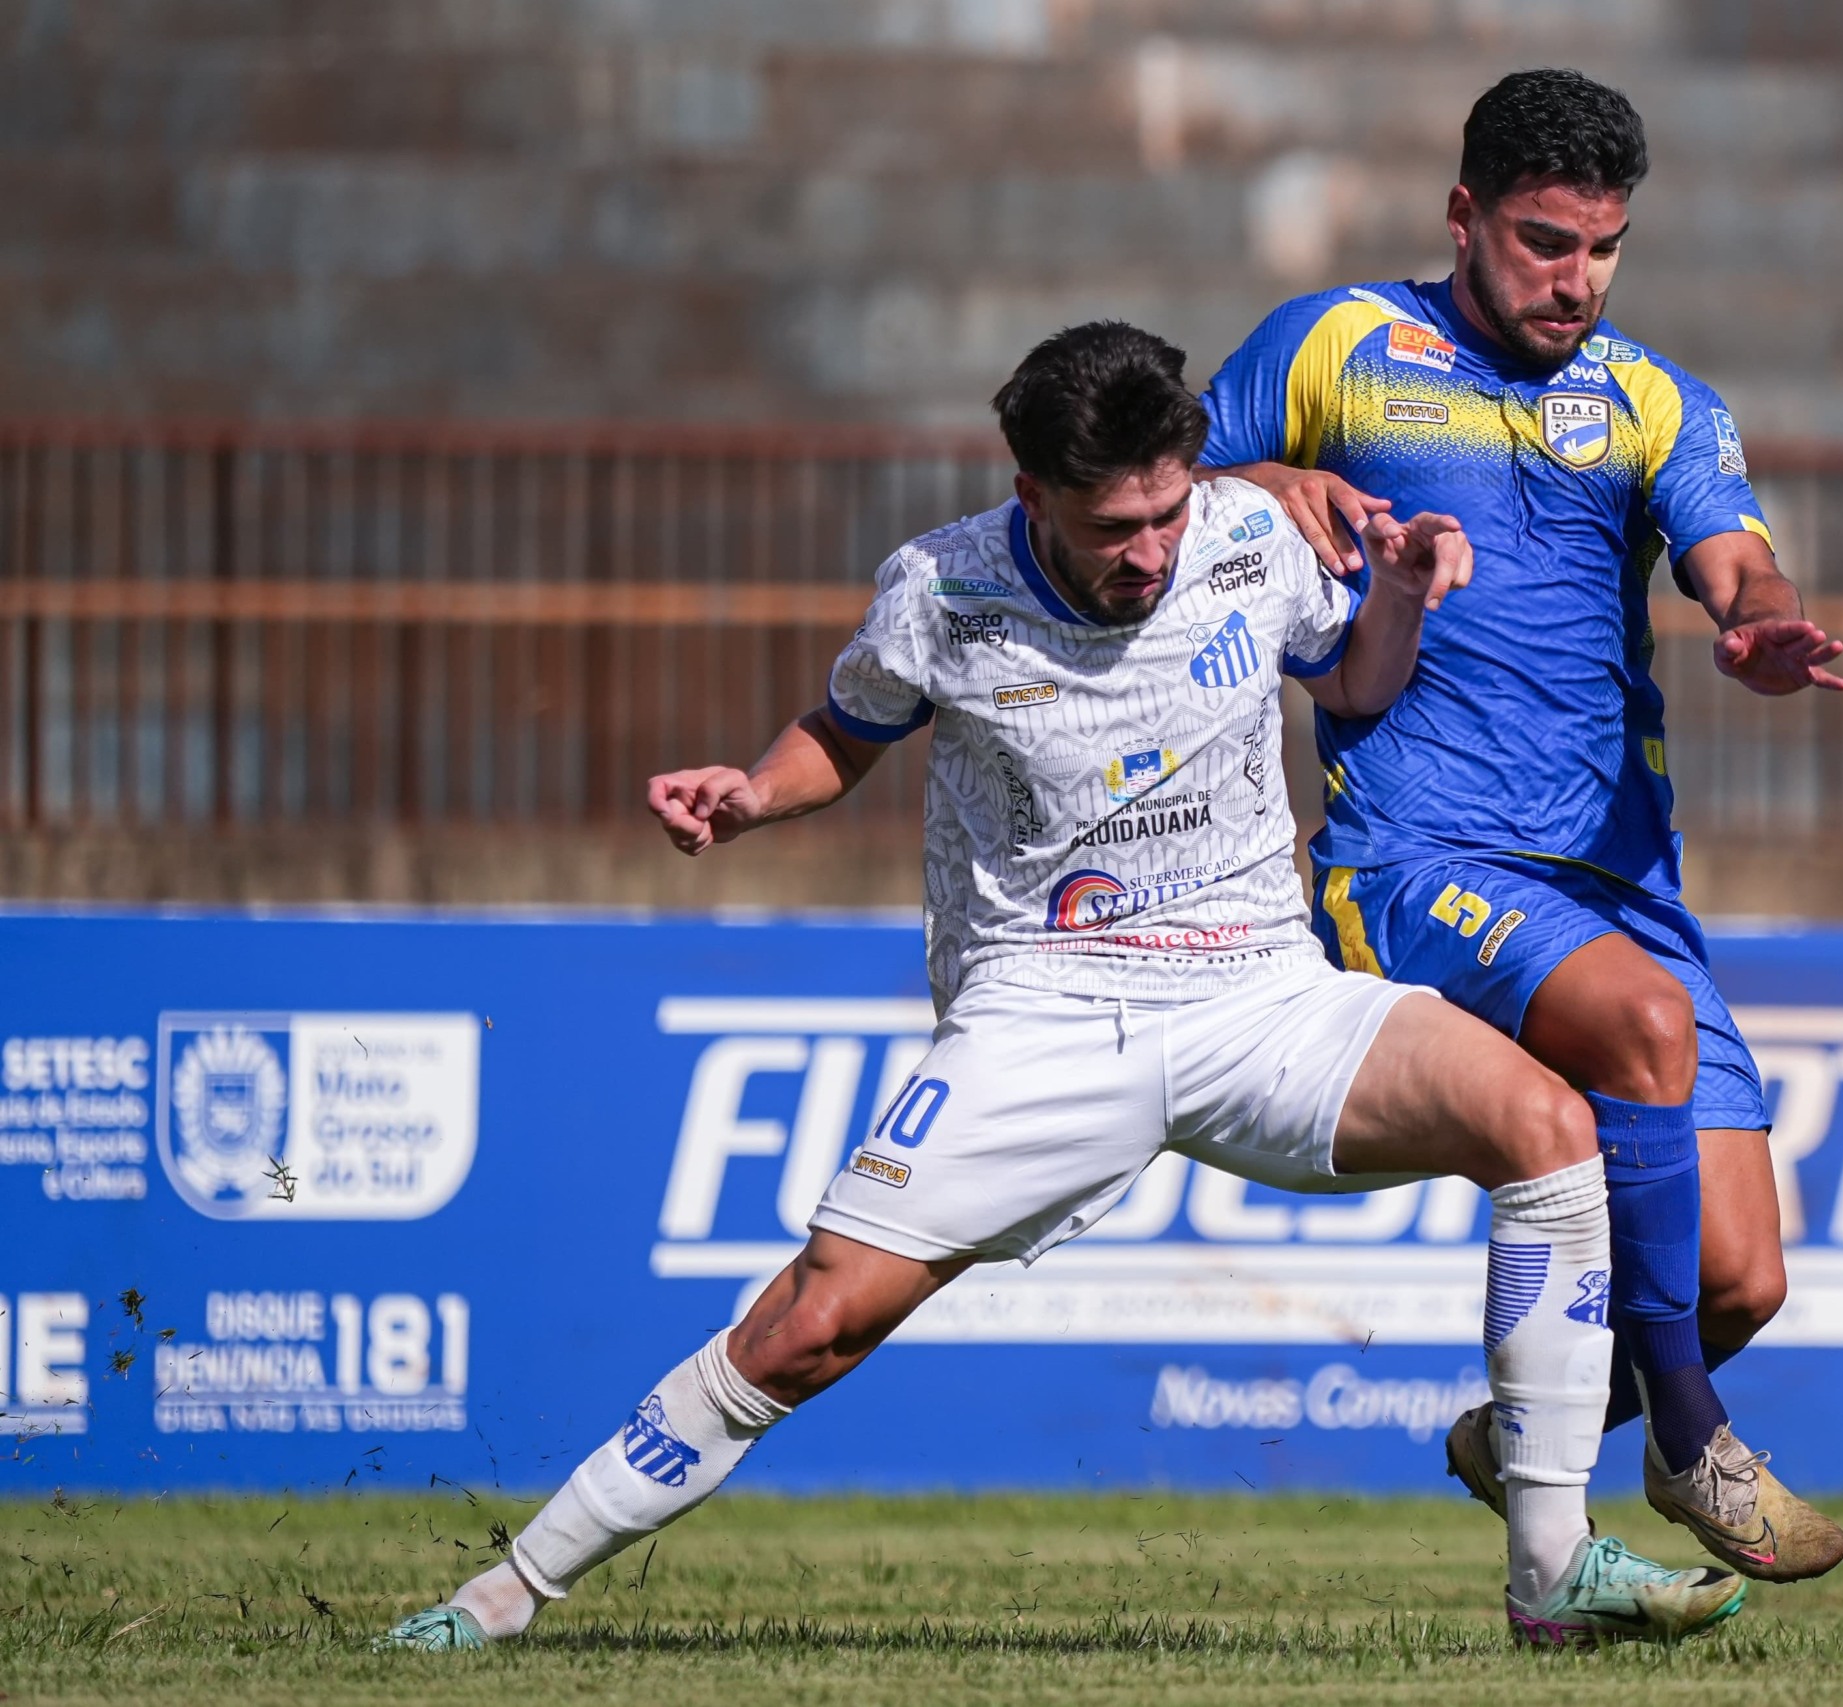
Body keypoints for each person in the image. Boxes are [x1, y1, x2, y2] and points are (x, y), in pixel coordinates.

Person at [378, 322, 1745, 1652]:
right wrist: (750, 794)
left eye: (1165, 515)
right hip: (1042, 1016)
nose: (1150, 554)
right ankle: (496, 1599)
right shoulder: (940, 591)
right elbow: (840, 737)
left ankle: (1551, 1572)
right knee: (808, 1327)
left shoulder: (1250, 537)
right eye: (1112, 530)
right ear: (1030, 493)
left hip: (1260, 992)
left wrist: (1395, 592)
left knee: (1548, 1129)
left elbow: (1360, 684)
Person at [1198, 69, 1843, 1582]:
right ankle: (1688, 1448)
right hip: (1417, 854)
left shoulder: (1650, 397)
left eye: (1604, 249)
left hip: (1618, 874)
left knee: (1739, 1277)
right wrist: (1265, 477)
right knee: (1635, 1031)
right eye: (1546, 241)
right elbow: (1153, 484)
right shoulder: (1341, 346)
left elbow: (1736, 558)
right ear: (1466, 216)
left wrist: (1759, 624)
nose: (1576, 279)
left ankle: (1520, 1435)